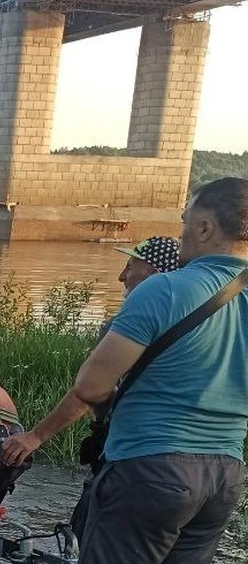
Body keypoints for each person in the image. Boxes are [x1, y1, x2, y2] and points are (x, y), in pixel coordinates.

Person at [72, 177, 248, 564]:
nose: (181, 231)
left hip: (150, 466)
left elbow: (90, 385)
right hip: (225, 476)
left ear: (205, 227)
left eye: (186, 219)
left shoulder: (163, 289)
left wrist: (110, 408)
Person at [1, 235, 180, 466]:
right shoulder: (198, 323)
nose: (121, 276)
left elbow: (91, 390)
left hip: (132, 454)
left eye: (130, 267)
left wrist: (35, 436)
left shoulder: (127, 324)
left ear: (153, 276)